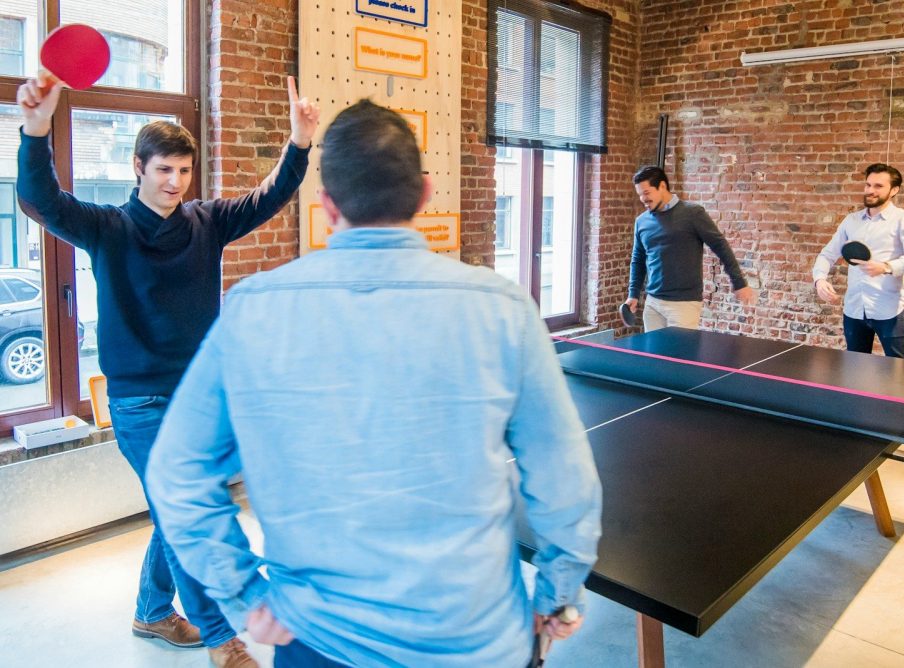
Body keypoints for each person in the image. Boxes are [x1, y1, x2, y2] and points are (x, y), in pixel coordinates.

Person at [144, 100, 602, 668]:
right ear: (426, 194)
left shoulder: (252, 310)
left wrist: (245, 593)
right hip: (476, 642)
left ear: (326, 205)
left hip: (317, 643)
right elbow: (566, 482)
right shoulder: (503, 308)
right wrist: (558, 597)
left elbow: (175, 474)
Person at [16, 75, 320, 668]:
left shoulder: (206, 222)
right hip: (138, 403)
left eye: (183, 171)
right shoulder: (107, 227)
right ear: (138, 168)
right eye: (163, 171)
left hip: (200, 396)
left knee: (178, 506)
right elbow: (40, 200)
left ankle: (152, 611)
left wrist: (299, 143)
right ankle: (219, 638)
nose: (175, 182)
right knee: (185, 510)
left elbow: (269, 196)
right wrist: (34, 130)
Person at [812, 163, 904, 359]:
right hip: (854, 310)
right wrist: (820, 280)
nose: (870, 190)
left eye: (878, 186)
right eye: (868, 185)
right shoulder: (851, 221)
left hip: (889, 311)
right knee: (855, 371)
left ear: (894, 190)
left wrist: (887, 267)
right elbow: (827, 254)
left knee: (900, 372)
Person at [625, 166, 756, 330]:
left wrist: (739, 283)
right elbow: (638, 260)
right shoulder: (641, 221)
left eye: (646, 193)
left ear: (662, 187)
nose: (643, 199)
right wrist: (633, 295)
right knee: (652, 356)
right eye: (639, 195)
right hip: (653, 304)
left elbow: (720, 246)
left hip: (684, 305)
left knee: (680, 355)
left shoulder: (693, 213)